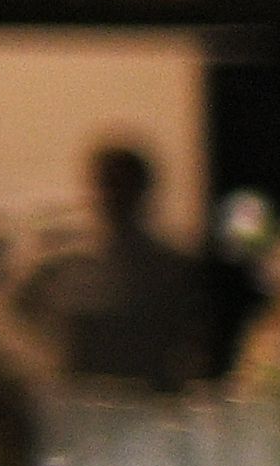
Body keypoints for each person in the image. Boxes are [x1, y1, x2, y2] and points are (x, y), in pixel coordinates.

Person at [14, 138, 211, 390]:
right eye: (110, 184)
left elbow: (193, 341)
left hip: (148, 403)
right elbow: (17, 312)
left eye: (124, 185)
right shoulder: (63, 265)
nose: (116, 195)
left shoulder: (174, 268)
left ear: (142, 190)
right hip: (79, 401)